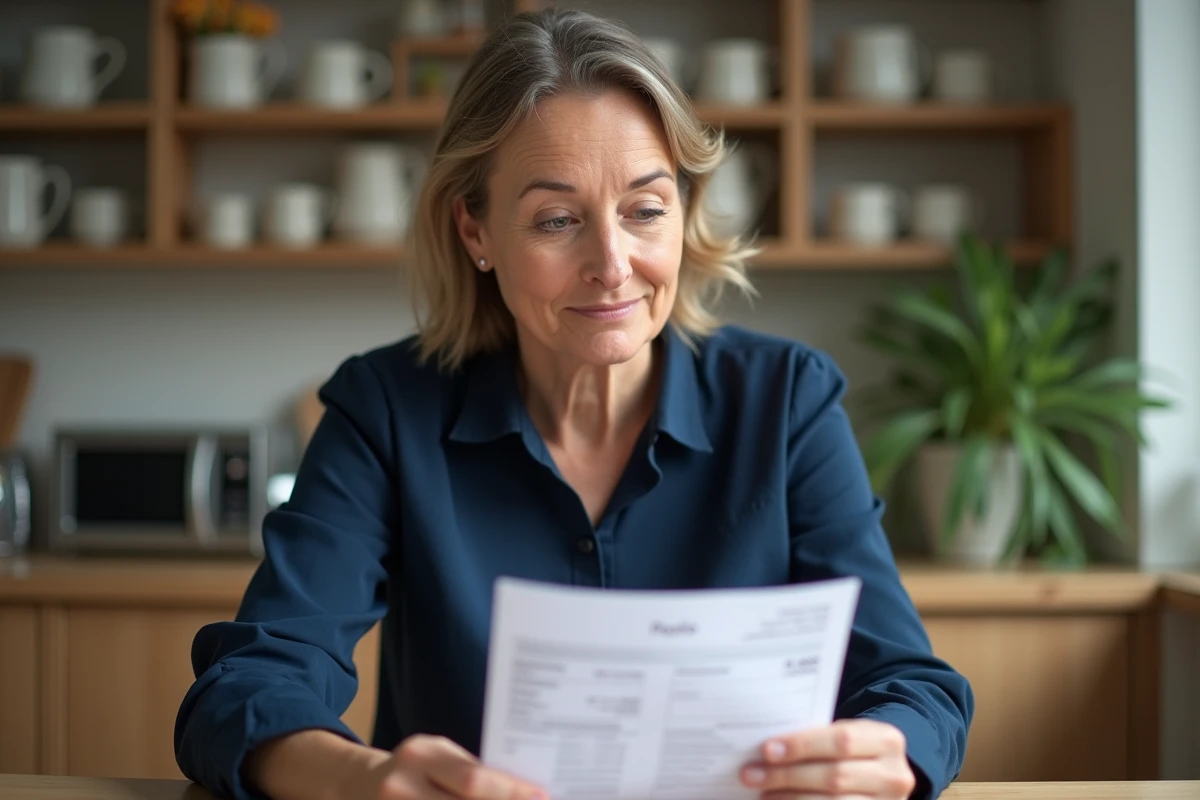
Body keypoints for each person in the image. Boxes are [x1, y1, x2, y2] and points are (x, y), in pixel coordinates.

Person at [174, 8, 973, 800]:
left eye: (646, 210)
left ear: (685, 215)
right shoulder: (387, 409)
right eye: (558, 220)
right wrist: (368, 781)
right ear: (475, 231)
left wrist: (887, 755)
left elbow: (914, 688)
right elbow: (245, 688)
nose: (613, 264)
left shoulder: (787, 402)